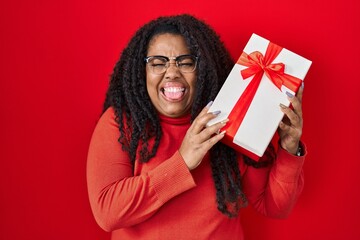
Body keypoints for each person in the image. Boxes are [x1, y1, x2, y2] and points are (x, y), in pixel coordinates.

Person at [87, 14, 305, 240]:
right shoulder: (121, 123)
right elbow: (108, 213)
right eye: (158, 63)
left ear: (203, 70)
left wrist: (290, 149)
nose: (171, 72)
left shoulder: (229, 121)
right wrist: (182, 162)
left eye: (186, 62)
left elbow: (274, 206)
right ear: (143, 72)